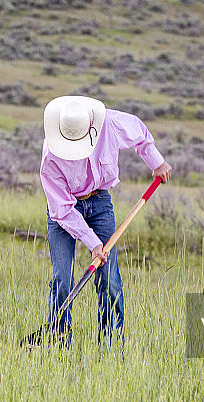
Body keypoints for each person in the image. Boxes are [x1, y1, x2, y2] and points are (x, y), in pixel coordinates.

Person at [40, 95, 172, 347]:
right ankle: (59, 343)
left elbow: (139, 132)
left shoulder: (109, 123)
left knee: (109, 280)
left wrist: (157, 162)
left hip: (100, 204)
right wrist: (93, 244)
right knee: (62, 279)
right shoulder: (50, 157)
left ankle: (111, 347)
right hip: (64, 212)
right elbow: (63, 210)